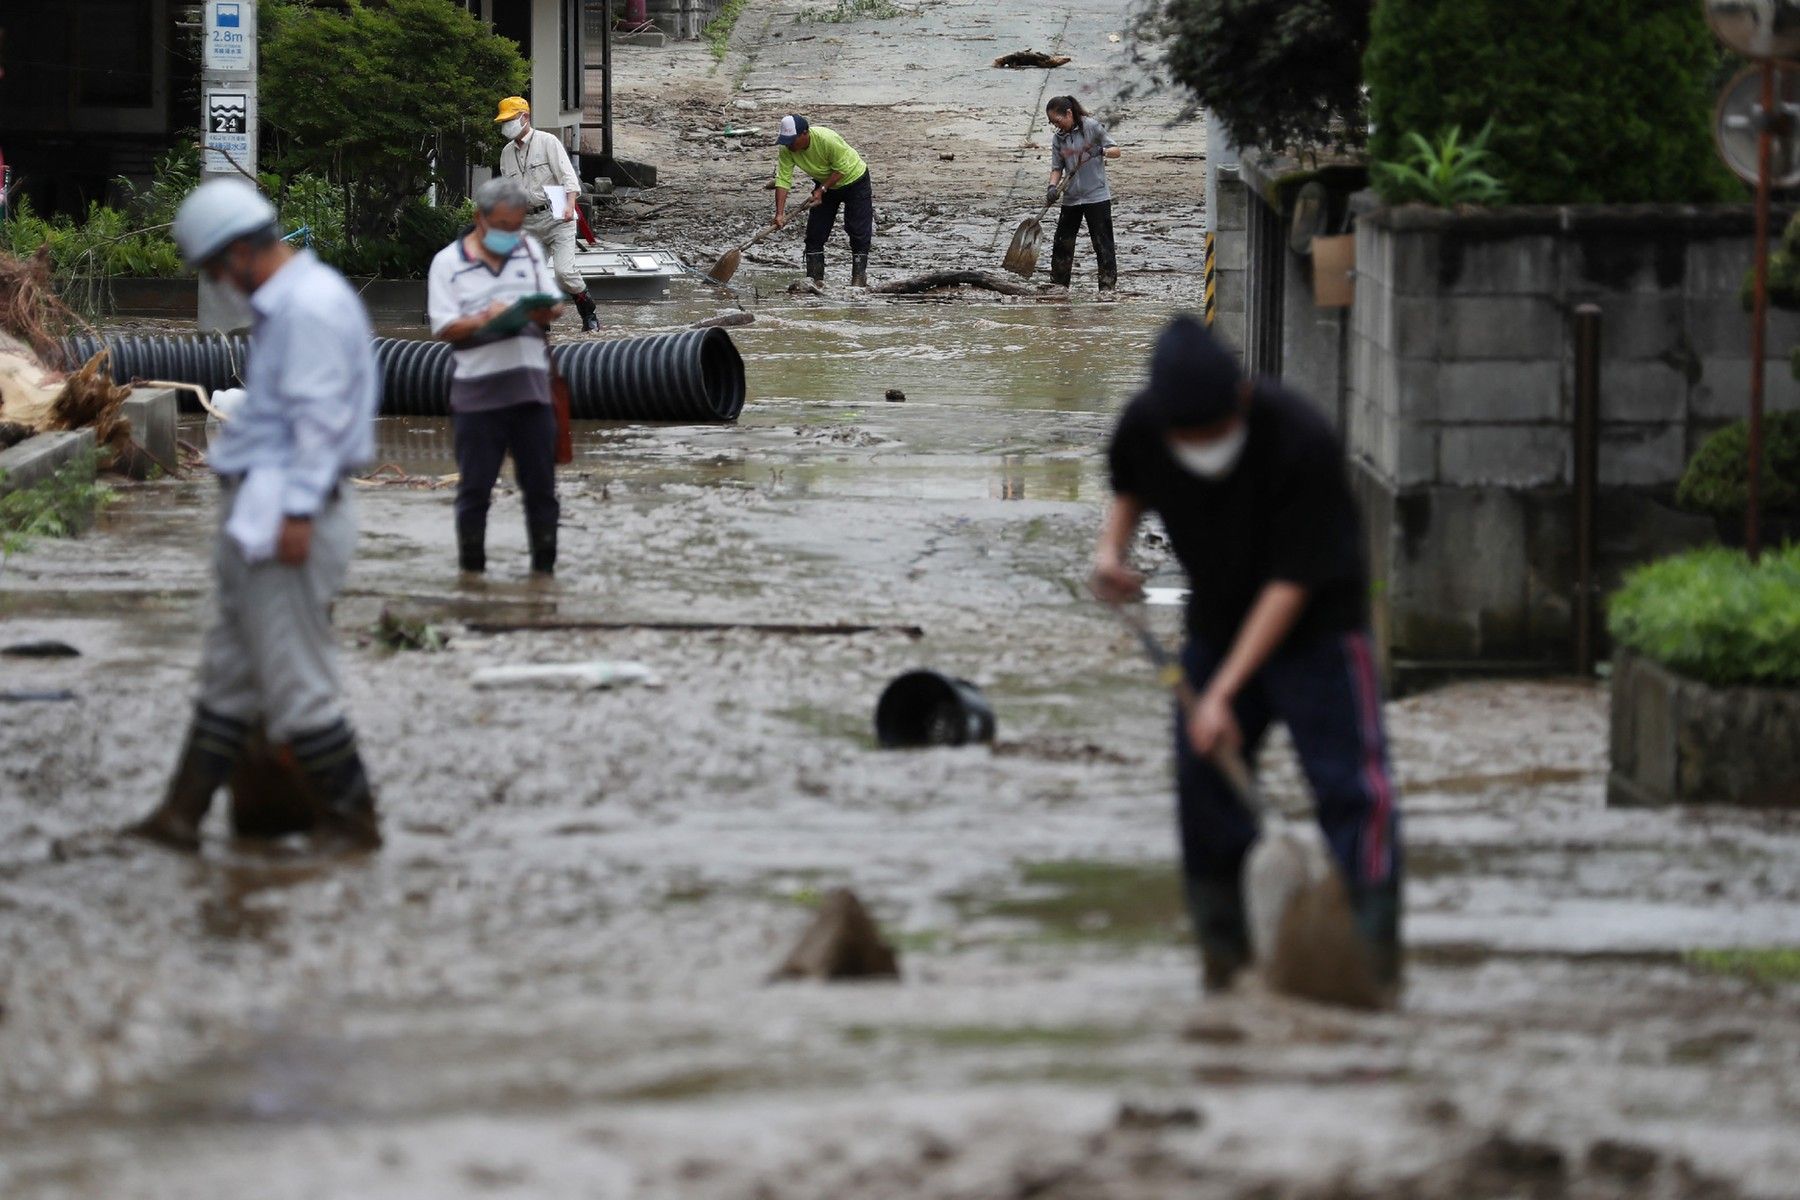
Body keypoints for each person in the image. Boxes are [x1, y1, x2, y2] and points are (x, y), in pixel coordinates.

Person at [1091, 314, 1402, 993]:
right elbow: (1130, 487)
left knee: (1352, 786)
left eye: (1210, 432)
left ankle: (1371, 963)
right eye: (1186, 437)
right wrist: (1110, 553)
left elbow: (1290, 587)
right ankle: (1224, 960)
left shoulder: (1298, 439)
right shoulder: (1148, 425)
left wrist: (1224, 694)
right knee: (1201, 780)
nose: (1200, 446)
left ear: (1239, 401)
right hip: (1219, 618)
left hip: (1317, 624)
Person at [127, 178, 382, 853]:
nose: (217, 281)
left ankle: (353, 823)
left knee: (297, 679)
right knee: (230, 672)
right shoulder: (290, 303)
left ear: (239, 252)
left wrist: (297, 512)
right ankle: (179, 818)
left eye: (215, 267)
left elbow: (321, 422)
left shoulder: (307, 308)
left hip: (289, 511)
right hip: (264, 507)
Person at [427, 176, 563, 578]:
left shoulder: (529, 251)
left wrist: (539, 311)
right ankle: (472, 578)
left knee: (541, 492)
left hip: (532, 394)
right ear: (479, 218)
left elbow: (553, 307)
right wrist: (485, 318)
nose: (510, 234)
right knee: (475, 491)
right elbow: (444, 328)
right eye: (502, 226)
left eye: (516, 225)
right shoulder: (447, 264)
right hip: (477, 398)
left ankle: (544, 577)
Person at [494, 96, 600, 333]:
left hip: (557, 218)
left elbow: (568, 177)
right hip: (527, 222)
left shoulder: (547, 142)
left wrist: (569, 205)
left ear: (525, 117)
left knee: (564, 272)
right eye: (504, 121)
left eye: (510, 120)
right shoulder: (506, 154)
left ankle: (588, 312)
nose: (506, 125)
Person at [771, 114, 875, 288]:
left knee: (858, 231)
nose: (788, 145)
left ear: (805, 134)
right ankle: (814, 279)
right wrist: (779, 213)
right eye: (785, 141)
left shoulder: (827, 139)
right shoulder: (786, 149)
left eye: (792, 140)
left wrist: (822, 190)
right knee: (815, 233)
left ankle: (858, 279)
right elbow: (783, 180)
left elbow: (842, 168)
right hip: (825, 183)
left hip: (854, 179)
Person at [1044, 95, 1119, 292]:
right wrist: (1052, 187)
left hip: (1097, 196)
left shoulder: (1092, 127)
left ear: (1069, 113)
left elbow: (1116, 150)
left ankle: (1107, 287)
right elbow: (1057, 167)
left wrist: (1100, 151)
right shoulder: (1058, 138)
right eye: (1053, 123)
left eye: (1058, 121)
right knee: (1062, 244)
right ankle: (1059, 286)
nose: (1057, 126)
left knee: (1103, 244)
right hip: (1071, 198)